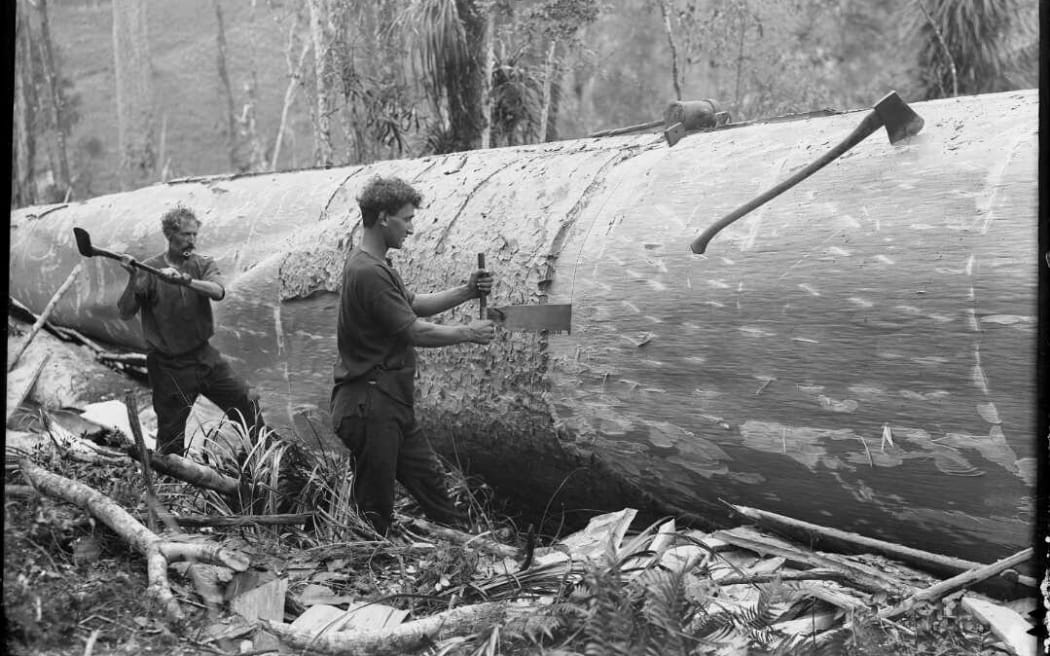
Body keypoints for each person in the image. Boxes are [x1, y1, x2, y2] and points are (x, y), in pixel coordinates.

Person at [331, 176, 496, 536]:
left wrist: (467, 291)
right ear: (384, 217)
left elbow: (413, 306)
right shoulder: (368, 272)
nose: (411, 228)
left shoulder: (376, 266)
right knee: (375, 510)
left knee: (431, 485)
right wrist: (468, 333)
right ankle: (366, 574)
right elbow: (414, 330)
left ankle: (470, 549)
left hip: (390, 404)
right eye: (406, 219)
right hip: (370, 405)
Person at [117, 206, 265, 456]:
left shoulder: (202, 264)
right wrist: (133, 277)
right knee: (171, 436)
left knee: (245, 401)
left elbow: (218, 291)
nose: (192, 240)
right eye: (186, 235)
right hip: (168, 366)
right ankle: (173, 486)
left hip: (204, 356)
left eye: (195, 234)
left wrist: (187, 281)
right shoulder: (149, 270)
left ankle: (262, 461)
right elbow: (125, 311)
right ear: (170, 235)